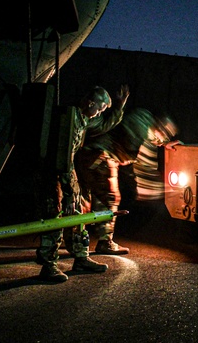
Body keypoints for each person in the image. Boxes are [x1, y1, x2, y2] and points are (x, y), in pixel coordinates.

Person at [34, 84, 129, 282]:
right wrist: (67, 184)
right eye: (100, 109)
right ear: (90, 102)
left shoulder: (83, 119)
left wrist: (119, 107)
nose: (98, 114)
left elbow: (104, 125)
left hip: (68, 174)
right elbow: (62, 154)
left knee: (77, 215)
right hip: (55, 175)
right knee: (54, 216)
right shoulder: (68, 118)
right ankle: (49, 265)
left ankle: (81, 258)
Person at [76, 108, 178, 256]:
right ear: (159, 124)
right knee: (110, 197)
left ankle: (74, 239)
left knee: (86, 199)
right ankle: (105, 242)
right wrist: (140, 185)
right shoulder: (141, 125)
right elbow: (135, 158)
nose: (165, 136)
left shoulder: (144, 122)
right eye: (165, 131)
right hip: (101, 157)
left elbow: (152, 138)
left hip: (93, 155)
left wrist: (165, 144)